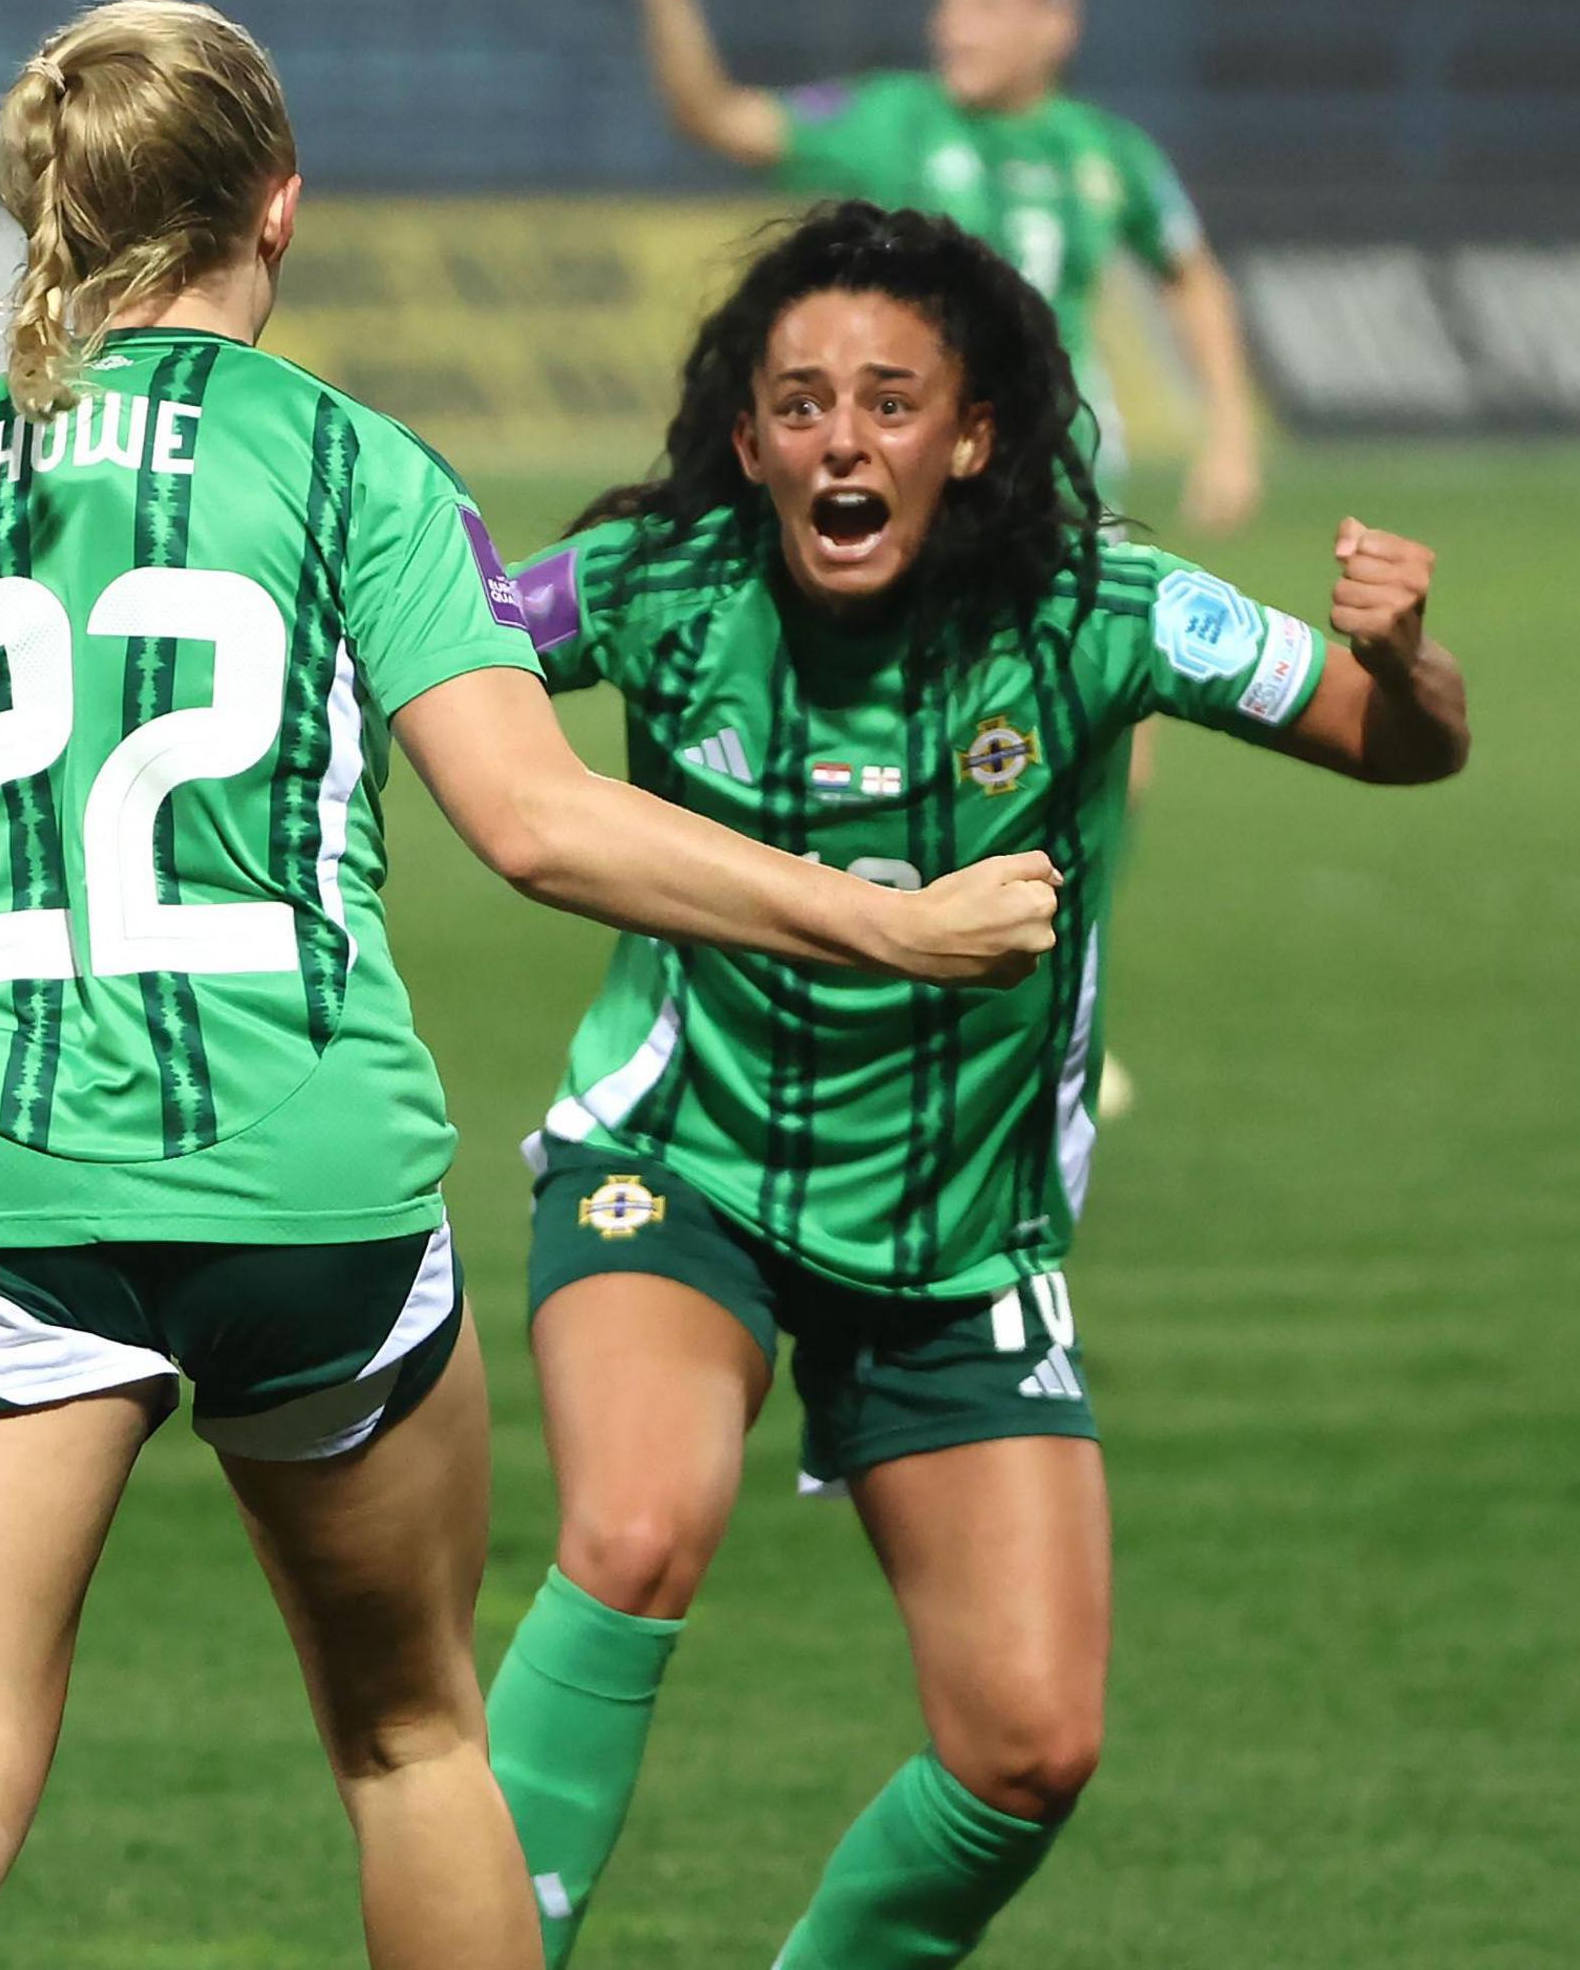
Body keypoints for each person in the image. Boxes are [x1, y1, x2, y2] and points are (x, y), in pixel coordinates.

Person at [0, 6, 1070, 1970]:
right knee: (414, 1738)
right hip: (311, 1185)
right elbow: (539, 825)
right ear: (281, 204)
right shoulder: (356, 470)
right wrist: (897, 921)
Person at [479, 201, 1469, 1969]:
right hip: (677, 1166)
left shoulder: (1104, 611)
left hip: (961, 1240)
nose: (842, 443)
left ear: (974, 433)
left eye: (888, 402)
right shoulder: (660, 590)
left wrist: (1408, 658)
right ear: (747, 439)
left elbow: (1395, 745)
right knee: (633, 1529)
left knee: (1028, 1747)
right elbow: (437, 664)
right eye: (798, 406)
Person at [620, 0, 1265, 535]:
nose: (954, 26)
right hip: (920, 480)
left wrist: (1231, 437)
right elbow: (716, 118)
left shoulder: (1109, 150)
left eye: (986, 4)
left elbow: (1192, 278)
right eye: (946, 0)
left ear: (1056, 22)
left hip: (1064, 486)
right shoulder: (892, 120)